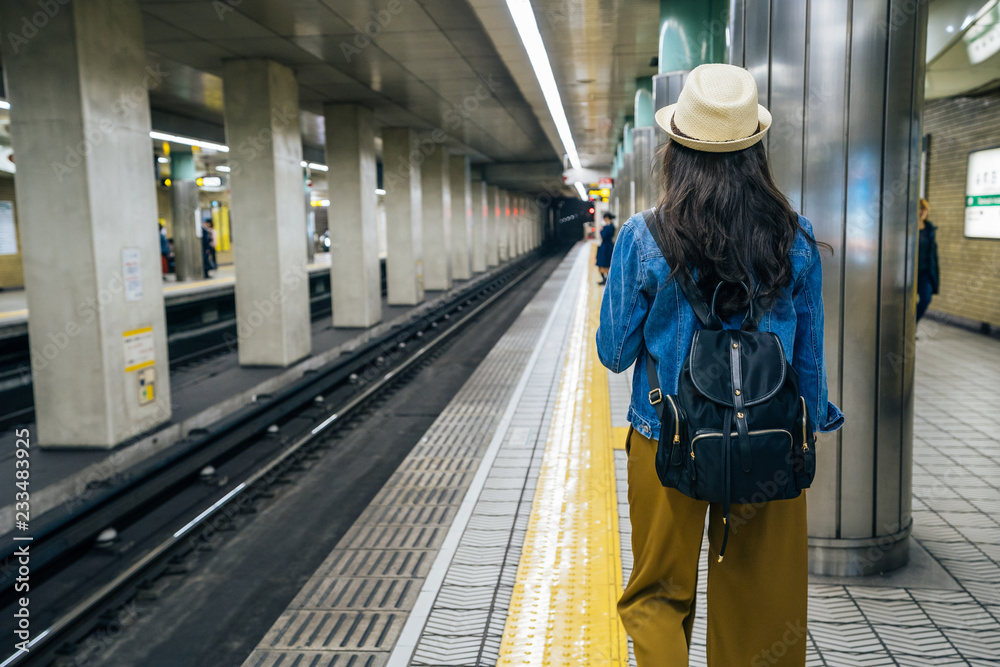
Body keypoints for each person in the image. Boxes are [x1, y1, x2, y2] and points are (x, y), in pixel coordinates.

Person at [596, 64, 843, 667]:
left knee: (658, 595)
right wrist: (810, 430)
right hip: (768, 440)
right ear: (756, 150)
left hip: (667, 439)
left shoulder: (643, 236)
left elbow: (615, 352)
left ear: (675, 148)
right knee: (762, 605)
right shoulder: (797, 237)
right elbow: (808, 367)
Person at [916, 198, 940, 322]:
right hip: (910, 272)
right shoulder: (909, 227)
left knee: (926, 298)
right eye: (919, 208)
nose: (921, 211)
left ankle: (912, 323)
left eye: (924, 209)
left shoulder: (929, 229)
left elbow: (933, 254)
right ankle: (907, 326)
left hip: (925, 271)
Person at [596, 211, 616, 284]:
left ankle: (605, 279)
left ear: (607, 218)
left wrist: (601, 230)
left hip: (605, 247)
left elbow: (603, 235)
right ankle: (607, 279)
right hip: (609, 246)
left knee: (603, 263)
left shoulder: (607, 227)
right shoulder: (612, 226)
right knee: (607, 263)